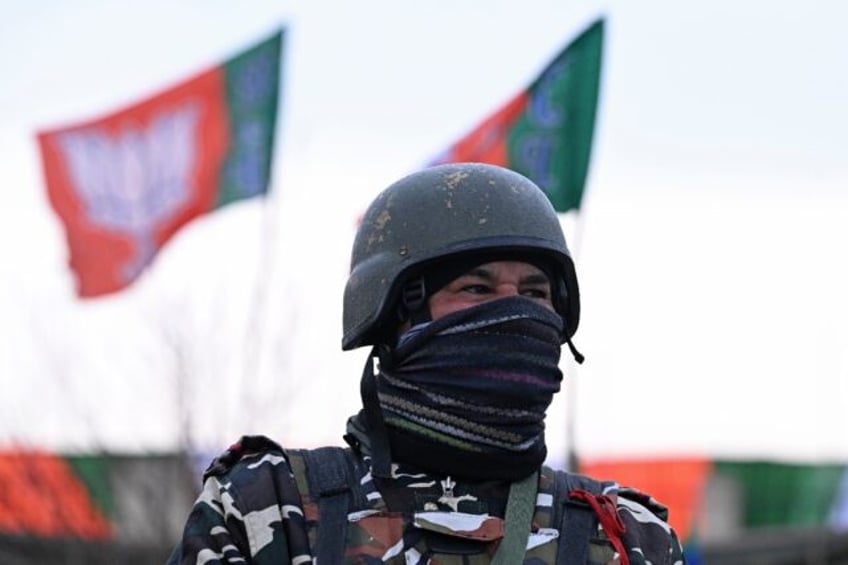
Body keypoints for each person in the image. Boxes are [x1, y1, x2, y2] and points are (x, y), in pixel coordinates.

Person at [167, 162, 686, 564]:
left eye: (535, 291)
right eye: (476, 288)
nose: (515, 310)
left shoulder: (624, 536)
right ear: (396, 316)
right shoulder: (273, 507)